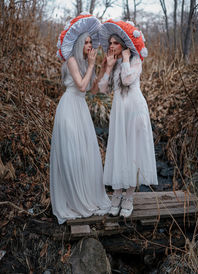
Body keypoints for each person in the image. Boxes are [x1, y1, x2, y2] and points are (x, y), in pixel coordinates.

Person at [50, 14, 111, 224]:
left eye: (90, 42)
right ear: (78, 44)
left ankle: (86, 194)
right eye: (85, 42)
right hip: (68, 108)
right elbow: (81, 85)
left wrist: (103, 68)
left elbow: (92, 91)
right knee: (72, 154)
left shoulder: (86, 62)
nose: (89, 45)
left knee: (85, 154)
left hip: (81, 108)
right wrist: (93, 65)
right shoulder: (72, 60)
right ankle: (72, 200)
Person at [98, 20, 158, 218]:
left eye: (115, 43)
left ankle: (129, 197)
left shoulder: (135, 60)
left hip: (134, 110)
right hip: (119, 112)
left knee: (132, 150)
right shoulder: (112, 62)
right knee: (119, 150)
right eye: (110, 43)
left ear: (123, 45)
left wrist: (124, 60)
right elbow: (102, 89)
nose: (111, 46)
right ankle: (116, 195)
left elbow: (127, 80)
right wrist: (108, 67)